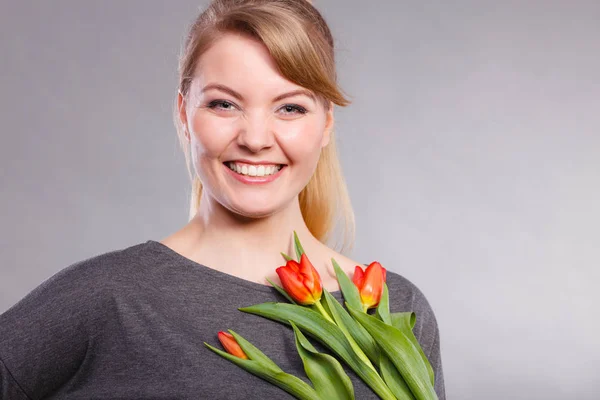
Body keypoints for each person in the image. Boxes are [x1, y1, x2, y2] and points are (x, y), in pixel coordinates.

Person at [0, 0, 446, 398]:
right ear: (183, 114)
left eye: (290, 107)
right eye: (223, 104)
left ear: (326, 124)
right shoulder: (108, 297)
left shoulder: (396, 308)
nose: (255, 139)